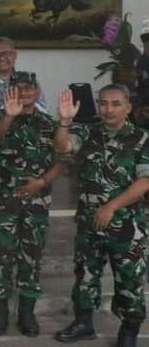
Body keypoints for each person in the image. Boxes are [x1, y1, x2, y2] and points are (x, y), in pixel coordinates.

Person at [54, 85, 149, 347]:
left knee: (129, 280)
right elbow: (62, 147)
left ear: (128, 106)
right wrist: (64, 122)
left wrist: (111, 207)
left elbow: (145, 182)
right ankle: (84, 323)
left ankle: (128, 331)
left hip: (127, 226)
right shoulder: (88, 133)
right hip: (89, 222)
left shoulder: (142, 138)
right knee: (85, 276)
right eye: (104, 103)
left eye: (116, 104)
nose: (109, 109)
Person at [0, 71, 64, 336]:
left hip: (37, 202)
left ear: (37, 92)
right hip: (5, 200)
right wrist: (9, 116)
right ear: (9, 92)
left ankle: (27, 313)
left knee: (32, 256)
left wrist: (41, 182)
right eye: (18, 88)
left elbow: (61, 160)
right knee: (1, 256)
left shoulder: (48, 123)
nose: (25, 92)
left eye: (30, 88)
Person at [0, 38, 47, 120]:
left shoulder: (29, 82)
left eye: (6, 53)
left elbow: (43, 113)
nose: (2, 57)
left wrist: (26, 105)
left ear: (15, 55)